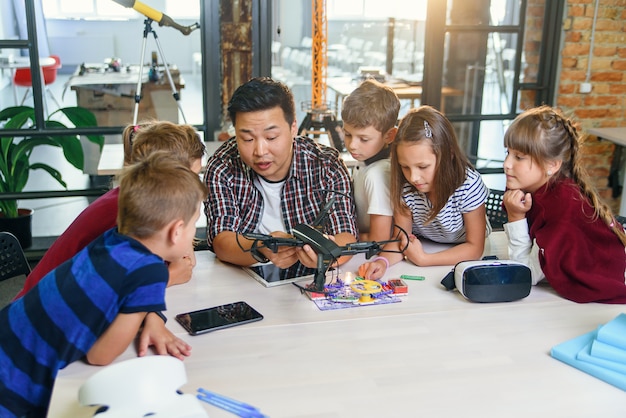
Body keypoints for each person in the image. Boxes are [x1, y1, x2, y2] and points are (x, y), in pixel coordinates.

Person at [0, 152, 208, 417]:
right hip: (18, 378)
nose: (193, 235)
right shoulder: (150, 272)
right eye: (193, 226)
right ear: (176, 230)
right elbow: (100, 355)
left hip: (10, 331)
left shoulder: (113, 238)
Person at [15, 121, 206, 299]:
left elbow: (184, 260)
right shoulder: (129, 213)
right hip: (46, 310)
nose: (196, 184)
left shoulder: (143, 200)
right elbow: (111, 287)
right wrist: (168, 277)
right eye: (192, 176)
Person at [204, 77, 358, 269]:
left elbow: (346, 235)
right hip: (244, 280)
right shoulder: (223, 166)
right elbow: (222, 241)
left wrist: (325, 256)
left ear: (293, 128)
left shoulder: (326, 165)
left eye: (271, 137)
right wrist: (260, 247)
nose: (260, 151)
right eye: (247, 138)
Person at [502, 105, 626, 304]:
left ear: (552, 165)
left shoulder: (562, 205)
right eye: (507, 153)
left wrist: (515, 218)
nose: (507, 164)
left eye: (519, 157)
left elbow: (525, 274)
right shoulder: (533, 187)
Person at [359, 105, 491, 280]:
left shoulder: (468, 184)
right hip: (428, 244)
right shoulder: (404, 184)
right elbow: (401, 240)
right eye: (405, 167)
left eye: (423, 166)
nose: (414, 177)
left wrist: (424, 259)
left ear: (448, 155)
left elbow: (475, 248)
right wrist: (382, 261)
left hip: (461, 249)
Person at [341, 79, 399, 242]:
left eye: (364, 139)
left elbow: (379, 239)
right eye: (347, 134)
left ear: (389, 136)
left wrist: (342, 238)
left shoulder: (377, 175)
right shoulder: (366, 159)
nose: (352, 145)